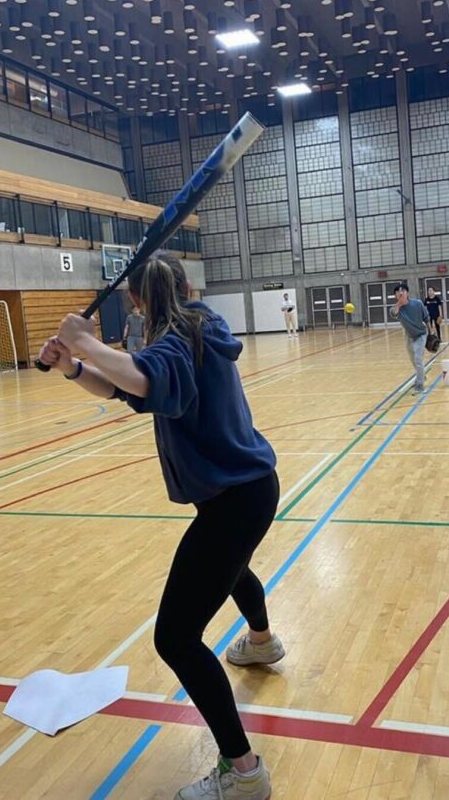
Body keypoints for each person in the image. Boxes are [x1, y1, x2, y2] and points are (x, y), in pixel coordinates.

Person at [38, 251, 283, 800]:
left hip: (234, 499)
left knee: (175, 637)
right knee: (229, 566)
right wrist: (74, 368)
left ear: (135, 299)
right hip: (245, 490)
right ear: (187, 286)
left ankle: (244, 774)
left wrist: (82, 340)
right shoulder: (202, 328)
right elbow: (128, 389)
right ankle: (262, 642)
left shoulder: (174, 345)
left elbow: (145, 375)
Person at [389, 281, 429, 396]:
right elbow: (394, 313)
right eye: (398, 292)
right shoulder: (395, 308)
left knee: (417, 358)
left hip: (421, 334)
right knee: (413, 359)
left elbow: (426, 317)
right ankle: (422, 375)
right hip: (409, 335)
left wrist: (431, 331)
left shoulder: (417, 303)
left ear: (407, 293)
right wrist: (399, 304)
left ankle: (420, 385)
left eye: (403, 291)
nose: (400, 293)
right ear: (395, 295)